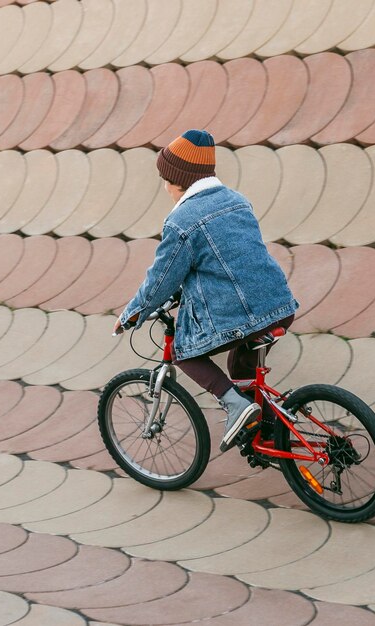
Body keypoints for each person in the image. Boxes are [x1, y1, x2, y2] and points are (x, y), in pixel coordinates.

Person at [113, 129, 298, 452]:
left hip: (240, 316)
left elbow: (160, 280)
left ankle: (237, 407)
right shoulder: (238, 201)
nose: (165, 187)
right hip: (279, 304)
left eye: (165, 179)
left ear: (178, 180)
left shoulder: (182, 221)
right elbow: (226, 259)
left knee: (184, 352)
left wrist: (132, 315)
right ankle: (269, 431)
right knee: (240, 368)